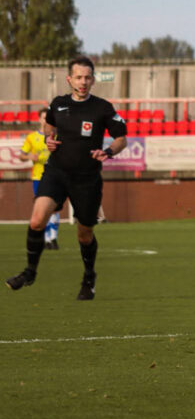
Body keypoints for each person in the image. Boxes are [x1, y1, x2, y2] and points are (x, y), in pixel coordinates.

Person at [5, 56, 128, 300]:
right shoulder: (58, 104)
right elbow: (49, 128)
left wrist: (108, 151)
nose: (83, 82)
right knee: (37, 220)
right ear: (69, 79)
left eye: (88, 77)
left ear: (93, 80)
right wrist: (49, 140)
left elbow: (121, 139)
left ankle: (89, 276)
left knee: (84, 234)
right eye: (79, 77)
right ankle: (30, 272)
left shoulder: (102, 108)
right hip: (56, 172)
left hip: (87, 179)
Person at [19, 109, 62, 250]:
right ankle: (45, 238)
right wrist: (29, 157)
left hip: (56, 176)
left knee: (55, 209)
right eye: (44, 118)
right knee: (43, 210)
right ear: (39, 119)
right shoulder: (31, 138)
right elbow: (22, 155)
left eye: (48, 118)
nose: (46, 121)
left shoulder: (57, 137)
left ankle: (52, 238)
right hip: (38, 177)